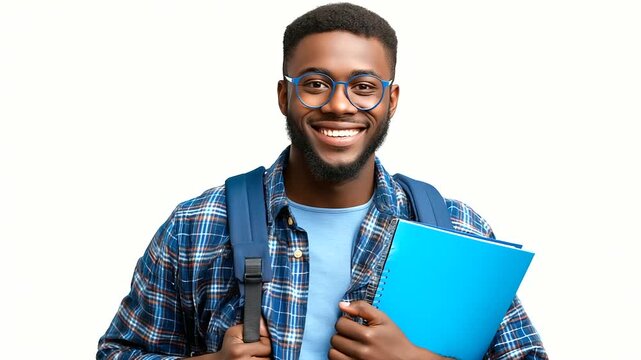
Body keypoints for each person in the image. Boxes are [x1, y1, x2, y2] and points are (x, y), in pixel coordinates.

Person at [97, 3, 547, 359]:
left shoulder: (455, 230)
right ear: (283, 96)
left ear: (391, 100)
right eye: (315, 83)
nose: (339, 106)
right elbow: (119, 354)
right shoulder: (198, 226)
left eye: (364, 87)